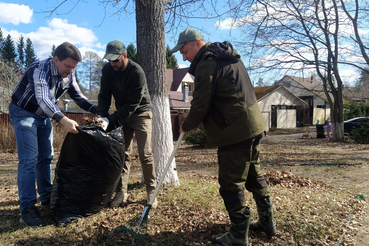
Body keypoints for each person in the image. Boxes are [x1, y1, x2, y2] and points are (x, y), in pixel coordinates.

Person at [172, 28, 276, 245]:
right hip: (252, 125)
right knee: (253, 177)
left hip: (234, 131)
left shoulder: (207, 63)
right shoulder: (227, 56)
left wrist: (186, 125)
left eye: (185, 50)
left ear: (197, 44)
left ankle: (239, 234)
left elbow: (201, 103)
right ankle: (267, 223)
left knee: (230, 184)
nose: (184, 57)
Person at [9, 42, 97, 227]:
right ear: (56, 59)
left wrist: (98, 110)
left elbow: (79, 97)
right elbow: (43, 99)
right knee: (29, 160)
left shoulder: (69, 74)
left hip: (43, 117)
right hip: (24, 112)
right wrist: (63, 119)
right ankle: (27, 209)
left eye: (74, 67)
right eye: (68, 66)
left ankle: (47, 198)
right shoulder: (38, 69)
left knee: (46, 157)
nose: (71, 71)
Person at [96, 40, 157, 209]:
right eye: (110, 60)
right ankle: (121, 192)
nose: (112, 63)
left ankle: (152, 191)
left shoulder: (136, 72)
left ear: (124, 56)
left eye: (115, 60)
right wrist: (101, 116)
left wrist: (112, 119)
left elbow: (132, 104)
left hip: (141, 113)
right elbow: (104, 95)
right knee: (123, 154)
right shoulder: (108, 70)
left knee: (145, 154)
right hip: (123, 114)